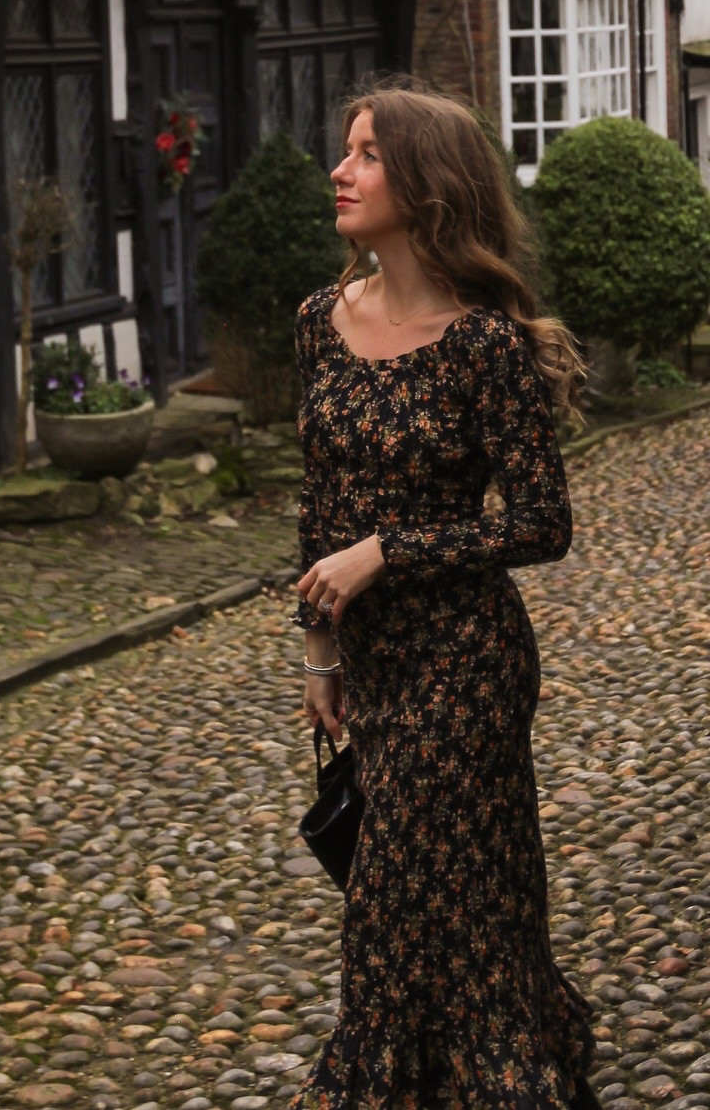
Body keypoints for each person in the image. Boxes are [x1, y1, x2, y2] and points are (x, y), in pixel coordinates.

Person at [292, 85, 599, 1110]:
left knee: (389, 889)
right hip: (376, 662)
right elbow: (316, 506)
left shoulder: (486, 347)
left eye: (368, 153)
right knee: (467, 884)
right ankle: (504, 1042)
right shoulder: (317, 324)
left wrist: (387, 549)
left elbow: (540, 522)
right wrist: (321, 652)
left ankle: (426, 1078)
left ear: (424, 186)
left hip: (468, 660)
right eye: (346, 149)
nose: (341, 169)